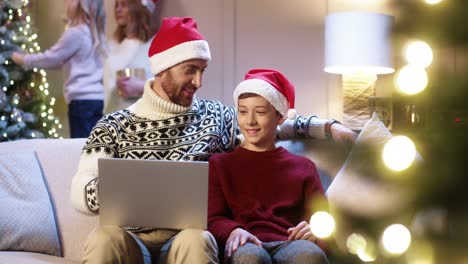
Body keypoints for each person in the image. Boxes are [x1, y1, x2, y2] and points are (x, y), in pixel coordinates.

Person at [71, 16, 355, 264]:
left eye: (202, 70)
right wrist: (129, 186)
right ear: (163, 68)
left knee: (198, 240)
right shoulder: (114, 125)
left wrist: (328, 127)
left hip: (185, 237)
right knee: (104, 237)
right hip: (129, 237)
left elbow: (268, 123)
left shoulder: (217, 117)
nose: (198, 82)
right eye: (190, 70)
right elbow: (81, 194)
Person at [208, 69, 329, 264]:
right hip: (245, 243)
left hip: (290, 242)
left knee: (310, 255)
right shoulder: (220, 164)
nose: (250, 121)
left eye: (261, 112)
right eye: (243, 111)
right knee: (250, 258)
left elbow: (323, 220)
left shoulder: (304, 167)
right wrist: (233, 230)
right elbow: (213, 218)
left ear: (280, 117)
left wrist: (314, 229)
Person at [11, 0, 107, 138]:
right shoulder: (93, 33)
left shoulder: (75, 33)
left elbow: (51, 57)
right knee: (93, 143)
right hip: (96, 99)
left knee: (80, 145)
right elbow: (64, 62)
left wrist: (24, 59)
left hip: (81, 101)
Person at [103, 0, 159, 114]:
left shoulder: (154, 45)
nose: (118, 10)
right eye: (116, 5)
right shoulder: (112, 46)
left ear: (137, 7)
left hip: (143, 118)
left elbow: (168, 85)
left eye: (123, 5)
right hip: (113, 118)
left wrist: (141, 87)